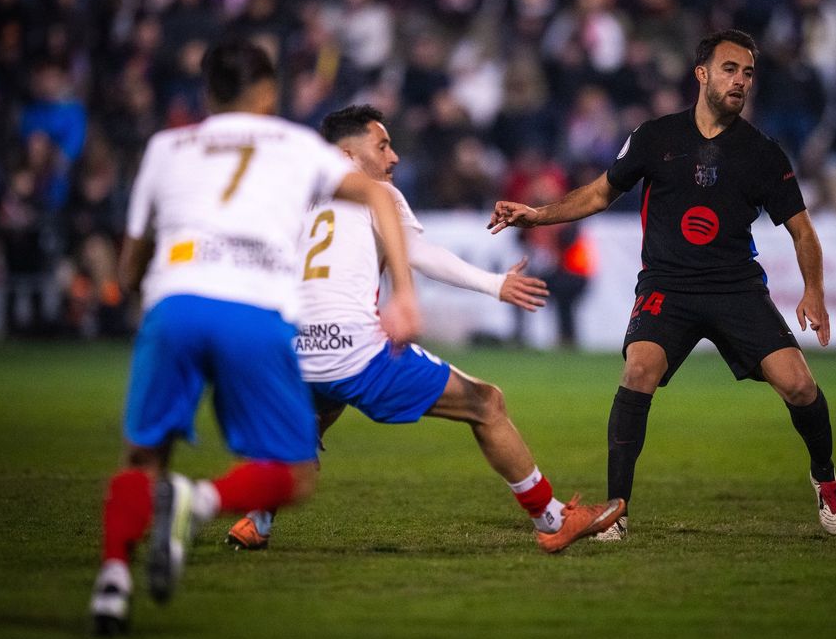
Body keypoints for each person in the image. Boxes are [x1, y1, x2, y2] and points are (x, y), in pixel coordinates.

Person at [89, 41, 422, 635]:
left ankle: (113, 582)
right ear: (268, 93)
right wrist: (403, 291)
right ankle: (199, 499)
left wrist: (140, 286)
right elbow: (375, 194)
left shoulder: (166, 148)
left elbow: (127, 268)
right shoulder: (297, 147)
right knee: (292, 472)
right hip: (253, 311)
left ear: (207, 94)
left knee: (142, 455)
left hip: (176, 305)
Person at [489, 29, 836, 541]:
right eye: (730, 69)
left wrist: (814, 291)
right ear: (701, 74)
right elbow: (597, 195)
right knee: (638, 370)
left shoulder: (763, 154)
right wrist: (537, 215)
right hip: (668, 284)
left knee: (799, 385)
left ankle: (826, 477)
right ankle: (617, 511)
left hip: (735, 286)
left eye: (748, 73)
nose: (740, 81)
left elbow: (802, 230)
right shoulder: (655, 137)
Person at [224, 105, 625, 555]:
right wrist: (494, 283)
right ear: (348, 154)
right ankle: (552, 517)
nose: (394, 157)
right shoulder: (375, 193)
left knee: (320, 409)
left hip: (293, 350)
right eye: (382, 146)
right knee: (487, 403)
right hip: (354, 349)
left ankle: (256, 518)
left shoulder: (295, 197)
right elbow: (421, 253)